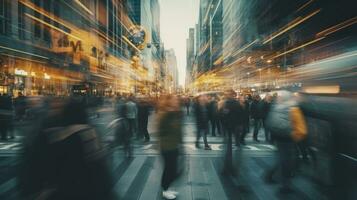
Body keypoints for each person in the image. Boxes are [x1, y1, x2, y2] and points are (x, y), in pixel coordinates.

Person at [19, 98, 115, 200]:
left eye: (57, 108)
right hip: (89, 189)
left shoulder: (60, 136)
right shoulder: (90, 132)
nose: (55, 111)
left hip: (71, 190)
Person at [264, 91, 307, 193]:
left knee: (282, 159)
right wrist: (297, 138)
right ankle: (285, 185)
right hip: (289, 138)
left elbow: (269, 123)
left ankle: (272, 176)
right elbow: (302, 129)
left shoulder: (276, 107)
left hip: (278, 137)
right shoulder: (294, 108)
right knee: (287, 161)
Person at [157, 95, 183, 200]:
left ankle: (168, 187)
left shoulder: (175, 113)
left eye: (177, 100)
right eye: (174, 100)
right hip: (167, 147)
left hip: (174, 145)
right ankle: (165, 189)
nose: (177, 101)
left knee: (173, 168)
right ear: (168, 102)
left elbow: (178, 129)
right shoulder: (165, 114)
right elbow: (160, 131)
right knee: (169, 169)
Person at [219, 90, 243, 175]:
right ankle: (234, 169)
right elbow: (242, 116)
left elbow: (223, 115)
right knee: (237, 147)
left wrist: (224, 124)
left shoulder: (227, 104)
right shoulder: (238, 104)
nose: (226, 95)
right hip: (236, 128)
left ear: (231, 95)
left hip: (229, 128)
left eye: (227, 94)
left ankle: (227, 168)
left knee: (228, 149)